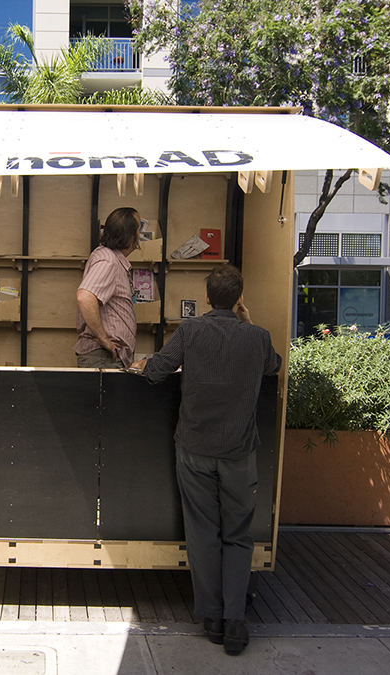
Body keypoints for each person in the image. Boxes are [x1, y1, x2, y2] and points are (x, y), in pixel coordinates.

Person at [134, 264, 281, 656]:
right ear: (239, 300)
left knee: (202, 534)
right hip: (238, 453)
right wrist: (247, 322)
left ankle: (211, 617)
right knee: (237, 535)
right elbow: (274, 366)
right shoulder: (258, 338)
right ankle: (235, 622)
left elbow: (157, 372)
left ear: (205, 300)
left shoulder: (192, 330)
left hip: (195, 449)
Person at [74, 207, 143, 368]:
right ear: (130, 234)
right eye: (139, 228)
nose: (141, 234)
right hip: (103, 357)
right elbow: (85, 297)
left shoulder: (109, 258)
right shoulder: (108, 260)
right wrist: (105, 340)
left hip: (106, 357)